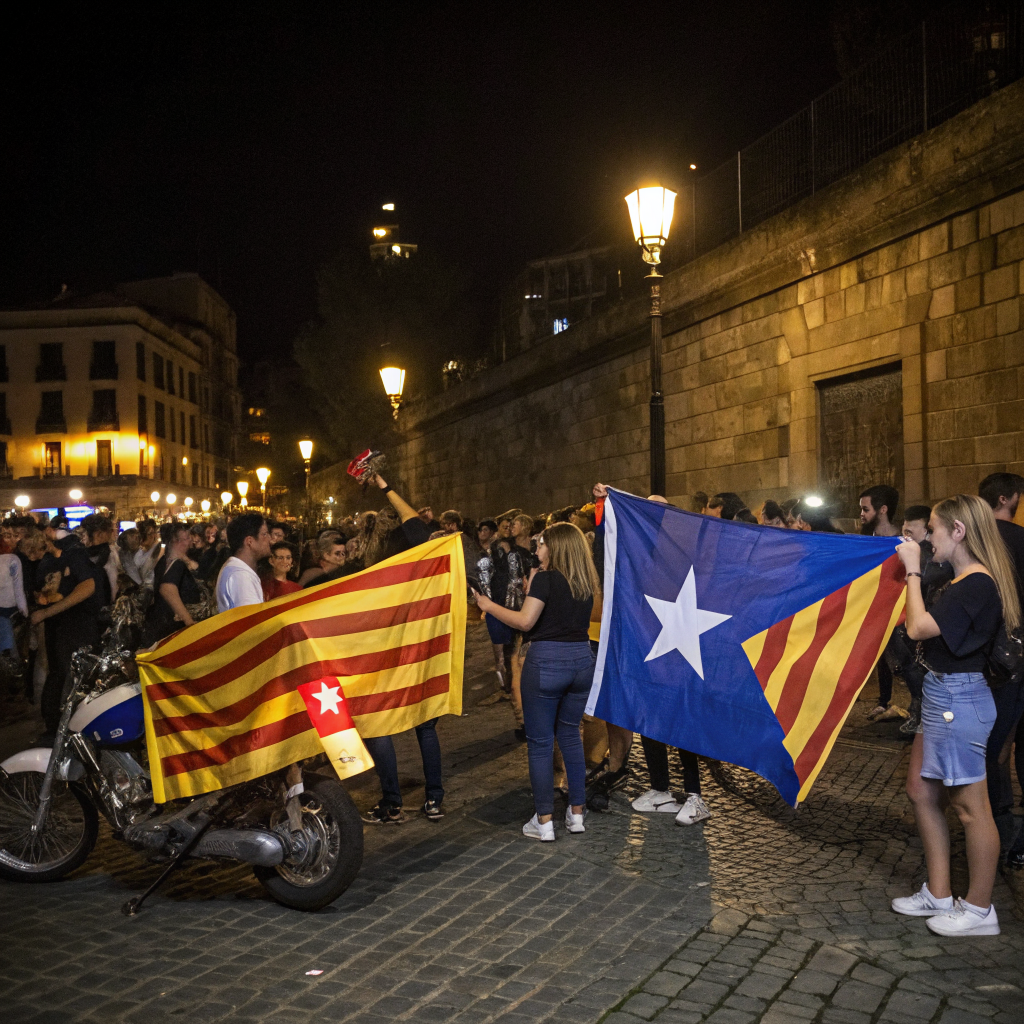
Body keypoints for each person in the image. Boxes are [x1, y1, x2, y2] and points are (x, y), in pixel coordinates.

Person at [892, 494, 1017, 936]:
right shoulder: (963, 578)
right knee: (921, 792)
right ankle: (939, 893)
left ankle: (981, 909)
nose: (929, 536)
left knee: (971, 808)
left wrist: (911, 568)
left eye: (933, 527)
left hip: (960, 701)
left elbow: (919, 628)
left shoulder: (977, 583)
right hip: (941, 696)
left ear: (958, 531)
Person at [473, 522, 599, 841]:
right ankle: (577, 814)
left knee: (541, 743)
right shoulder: (584, 581)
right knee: (570, 734)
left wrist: (488, 606)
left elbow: (526, 620)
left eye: (541, 544)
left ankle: (544, 821)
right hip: (582, 661)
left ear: (554, 547)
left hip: (547, 662)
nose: (537, 548)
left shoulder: (546, 578)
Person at [359, 472, 445, 824]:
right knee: (426, 728)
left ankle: (392, 802)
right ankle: (435, 799)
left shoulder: (367, 565)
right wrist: (384, 484)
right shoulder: (420, 549)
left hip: (382, 651)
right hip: (421, 649)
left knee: (379, 726)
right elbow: (410, 516)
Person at [977, 472, 1024, 856]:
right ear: (1007, 499)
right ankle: (1009, 832)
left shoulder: (975, 542)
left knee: (992, 744)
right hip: (1016, 655)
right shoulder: (1020, 539)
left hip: (989, 658)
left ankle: (996, 819)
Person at [32, 516, 104, 735]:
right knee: (59, 674)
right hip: (60, 627)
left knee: (72, 676)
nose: (30, 556)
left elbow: (87, 587)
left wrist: (47, 611)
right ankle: (56, 727)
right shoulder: (47, 561)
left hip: (77, 625)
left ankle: (73, 728)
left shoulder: (73, 555)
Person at [889, 505, 953, 737]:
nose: (906, 534)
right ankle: (920, 711)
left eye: (912, 530)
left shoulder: (936, 557)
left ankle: (923, 714)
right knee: (910, 667)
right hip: (910, 621)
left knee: (918, 668)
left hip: (926, 623)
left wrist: (913, 567)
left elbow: (928, 578)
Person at [144, 522, 213, 644]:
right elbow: (167, 589)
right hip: (173, 629)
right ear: (176, 541)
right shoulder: (177, 565)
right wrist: (189, 622)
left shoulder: (163, 561)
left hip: (162, 625)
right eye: (186, 538)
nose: (190, 541)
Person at [215, 513, 271, 611]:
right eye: (264, 534)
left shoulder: (237, 570)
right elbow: (251, 620)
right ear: (249, 541)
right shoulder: (241, 576)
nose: (269, 539)